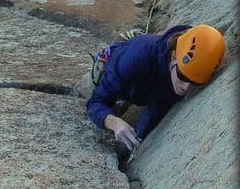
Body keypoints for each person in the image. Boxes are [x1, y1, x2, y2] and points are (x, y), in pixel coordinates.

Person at [79, 24, 226, 158]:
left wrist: (132, 140)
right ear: (174, 55)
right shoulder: (136, 59)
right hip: (113, 65)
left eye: (194, 82)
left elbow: (155, 111)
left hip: (140, 82)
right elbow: (96, 101)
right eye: (183, 76)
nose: (186, 87)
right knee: (81, 97)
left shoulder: (182, 68)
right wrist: (115, 123)